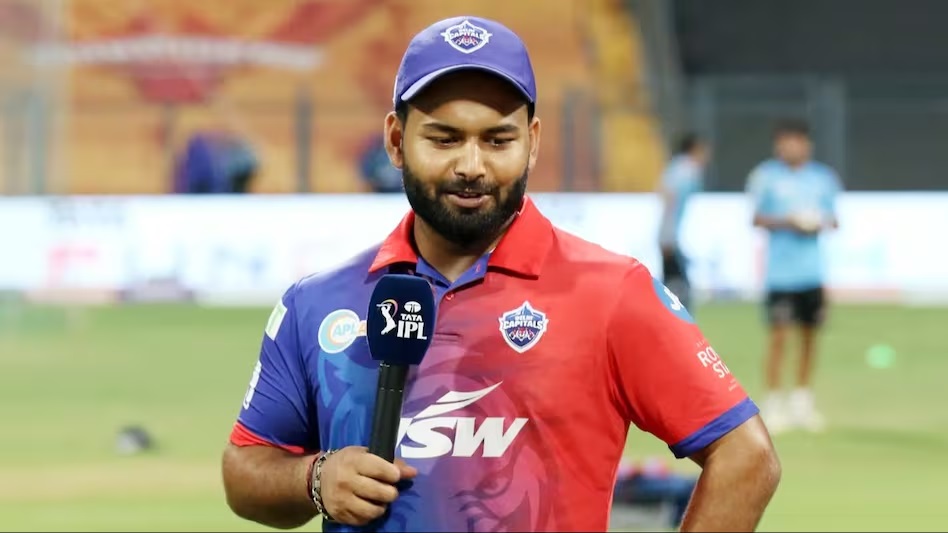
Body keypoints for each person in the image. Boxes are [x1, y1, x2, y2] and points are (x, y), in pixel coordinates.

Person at [221, 16, 781, 532]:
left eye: (498, 140)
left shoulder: (612, 293)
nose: (471, 166)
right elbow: (245, 469)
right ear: (396, 141)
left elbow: (747, 457)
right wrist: (314, 478)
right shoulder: (317, 303)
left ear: (532, 144)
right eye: (444, 138)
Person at [746, 119, 841, 434]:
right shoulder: (765, 176)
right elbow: (756, 218)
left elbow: (835, 221)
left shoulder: (823, 178)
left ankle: (802, 401)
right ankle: (773, 402)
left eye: (795, 141)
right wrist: (790, 222)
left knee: (810, 337)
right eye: (784, 142)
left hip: (811, 273)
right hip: (780, 275)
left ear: (806, 144)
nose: (790, 147)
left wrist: (816, 222)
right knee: (778, 338)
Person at [656, 133, 710, 312]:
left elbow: (663, 193)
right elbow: (669, 198)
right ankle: (678, 322)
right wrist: (668, 236)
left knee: (671, 284)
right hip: (670, 237)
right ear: (695, 150)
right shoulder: (688, 170)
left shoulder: (675, 168)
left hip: (669, 235)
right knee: (678, 288)